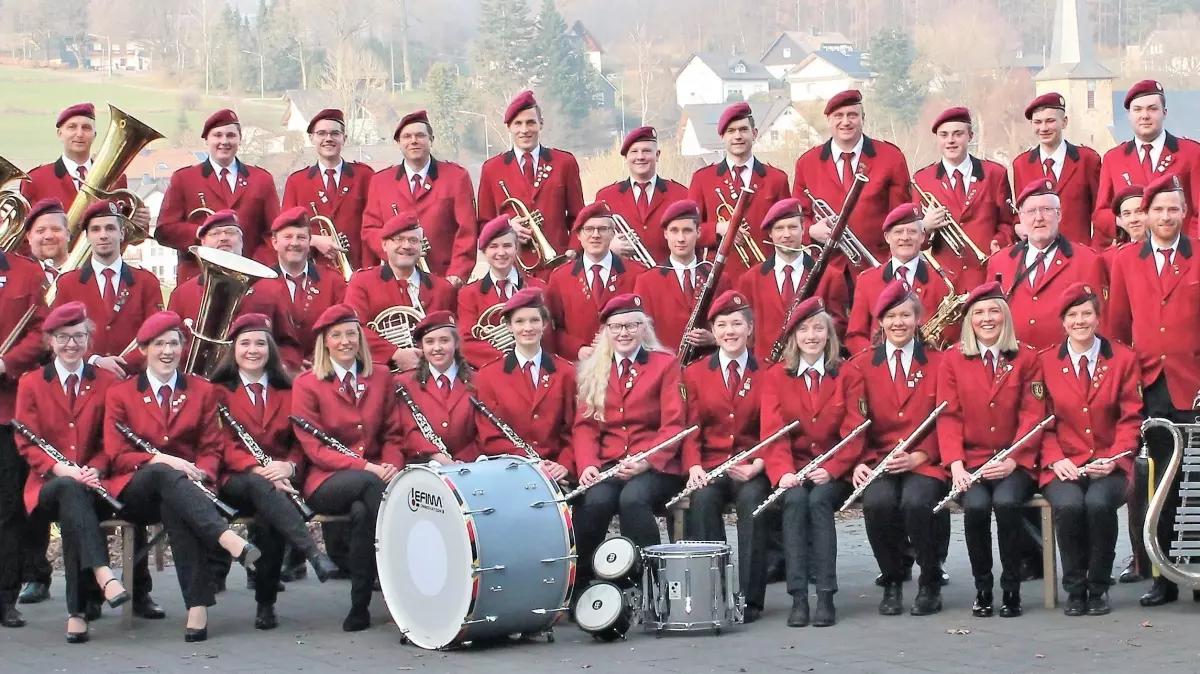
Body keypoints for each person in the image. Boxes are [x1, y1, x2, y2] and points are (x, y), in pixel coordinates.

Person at [102, 311, 261, 642]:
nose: (166, 351)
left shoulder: (201, 391)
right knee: (164, 475)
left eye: (173, 343)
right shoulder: (121, 393)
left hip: (187, 490)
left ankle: (197, 607)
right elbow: (117, 456)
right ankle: (226, 538)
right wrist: (162, 460)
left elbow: (211, 448)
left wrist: (200, 472)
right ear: (144, 349)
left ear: (182, 348)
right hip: (136, 488)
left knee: (177, 503)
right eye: (158, 344)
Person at [42, 199, 165, 618]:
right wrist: (94, 361)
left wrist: (124, 363)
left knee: (133, 484)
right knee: (85, 487)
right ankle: (88, 595)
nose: (103, 237)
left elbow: (153, 333)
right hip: (85, 388)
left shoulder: (145, 280)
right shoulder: (69, 283)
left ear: (123, 234)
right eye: (95, 230)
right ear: (86, 236)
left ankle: (141, 589)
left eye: (111, 229)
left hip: (131, 389)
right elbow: (63, 335)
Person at [1106, 174, 1200, 607]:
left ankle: (1198, 577)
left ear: (1185, 212)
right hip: (1149, 387)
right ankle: (1160, 576)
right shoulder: (1125, 261)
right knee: (1158, 485)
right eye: (1158, 209)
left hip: (1194, 385)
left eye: (1173, 209)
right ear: (1144, 215)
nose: (1165, 216)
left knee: (1196, 485)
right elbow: (1118, 328)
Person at [209, 314, 337, 630]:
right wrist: (258, 468)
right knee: (261, 487)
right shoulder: (216, 391)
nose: (253, 350)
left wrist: (289, 466)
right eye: (245, 343)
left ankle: (265, 604)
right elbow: (219, 442)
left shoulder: (288, 390)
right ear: (233, 349)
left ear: (270, 350)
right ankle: (312, 552)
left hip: (278, 482)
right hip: (234, 480)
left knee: (270, 516)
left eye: (260, 343)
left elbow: (299, 440)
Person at [12, 302, 130, 643]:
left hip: (95, 482)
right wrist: (60, 468)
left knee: (75, 500)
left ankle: (77, 612)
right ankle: (103, 573)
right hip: (47, 484)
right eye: (63, 338)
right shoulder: (31, 383)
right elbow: (26, 442)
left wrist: (95, 467)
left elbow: (112, 439)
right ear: (50, 341)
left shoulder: (106, 382)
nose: (71, 344)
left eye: (78, 336)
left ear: (88, 339)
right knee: (68, 490)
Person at [291, 304, 405, 631]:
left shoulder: (381, 376)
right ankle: (402, 570)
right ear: (325, 343)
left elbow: (393, 433)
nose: (345, 341)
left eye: (351, 333)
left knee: (363, 513)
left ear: (361, 338)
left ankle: (359, 607)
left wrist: (391, 464)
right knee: (370, 492)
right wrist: (367, 467)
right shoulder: (307, 383)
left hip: (375, 479)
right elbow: (314, 449)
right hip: (326, 481)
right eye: (336, 335)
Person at [937, 281, 1048, 618]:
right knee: (976, 508)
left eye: (994, 311)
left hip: (1015, 460)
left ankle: (1011, 586)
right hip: (970, 461)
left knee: (1007, 502)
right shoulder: (952, 360)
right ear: (969, 319)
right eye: (979, 312)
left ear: (1005, 316)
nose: (987, 318)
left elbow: (1033, 414)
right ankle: (983, 587)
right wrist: (956, 465)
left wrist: (1014, 459)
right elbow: (948, 415)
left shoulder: (1027, 357)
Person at [843, 281, 948, 617]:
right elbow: (853, 421)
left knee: (918, 502)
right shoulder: (860, 365)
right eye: (891, 316)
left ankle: (930, 579)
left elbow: (947, 417)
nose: (899, 322)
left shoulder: (939, 362)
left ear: (917, 319)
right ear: (881, 322)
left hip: (923, 459)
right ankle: (891, 578)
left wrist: (922, 454)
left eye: (905, 314)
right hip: (879, 460)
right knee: (878, 503)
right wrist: (858, 461)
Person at [1039, 283, 1141, 616]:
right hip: (1064, 462)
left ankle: (1098, 586)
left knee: (1098, 505)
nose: (1080, 321)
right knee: (1069, 506)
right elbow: (1040, 423)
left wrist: (1114, 458)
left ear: (1098, 318)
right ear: (1063, 322)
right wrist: (1055, 460)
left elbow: (1131, 417)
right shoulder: (1046, 362)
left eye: (1087, 313)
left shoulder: (1123, 358)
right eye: (1072, 315)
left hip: (1111, 461)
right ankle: (1075, 588)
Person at [571, 294, 685, 586]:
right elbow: (585, 426)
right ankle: (580, 584)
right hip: (609, 463)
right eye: (616, 327)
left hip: (657, 465)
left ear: (644, 328)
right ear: (606, 331)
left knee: (632, 499)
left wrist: (646, 460)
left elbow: (673, 424)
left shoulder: (665, 364)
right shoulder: (595, 368)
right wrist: (587, 465)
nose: (623, 333)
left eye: (631, 326)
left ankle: (651, 581)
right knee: (594, 502)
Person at [760, 297, 853, 626]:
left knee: (819, 503)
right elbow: (773, 431)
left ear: (829, 335)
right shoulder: (775, 377)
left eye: (818, 328)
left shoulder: (846, 373)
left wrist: (832, 468)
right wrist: (784, 472)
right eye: (803, 330)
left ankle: (825, 594)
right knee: (796, 502)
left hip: (833, 470)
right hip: (793, 469)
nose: (811, 335)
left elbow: (854, 431)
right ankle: (798, 597)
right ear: (793, 338)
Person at [681, 291, 767, 622]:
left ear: (750, 328)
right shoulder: (695, 373)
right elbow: (690, 429)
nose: (729, 331)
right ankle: (711, 593)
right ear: (713, 333)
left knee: (753, 505)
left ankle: (750, 597)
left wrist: (758, 464)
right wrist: (694, 467)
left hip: (752, 465)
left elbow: (773, 427)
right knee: (702, 502)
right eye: (722, 325)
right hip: (712, 465)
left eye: (736, 323)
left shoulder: (767, 372)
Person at [166, 209, 303, 372]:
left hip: (254, 382)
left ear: (242, 241)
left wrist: (281, 366)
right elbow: (170, 343)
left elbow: (289, 345)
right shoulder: (182, 294)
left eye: (231, 232)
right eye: (215, 234)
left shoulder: (272, 289)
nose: (223, 237)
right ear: (202, 242)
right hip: (198, 384)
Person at [156, 108, 280, 283]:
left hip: (249, 279)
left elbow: (273, 234)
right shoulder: (184, 179)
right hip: (198, 279)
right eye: (218, 135)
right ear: (207, 139)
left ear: (240, 139)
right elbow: (164, 231)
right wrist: (200, 233)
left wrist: (254, 268)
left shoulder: (262, 179)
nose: (224, 141)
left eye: (231, 135)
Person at [795, 89, 912, 271]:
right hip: (826, 270)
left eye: (852, 115)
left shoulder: (891, 158)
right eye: (838, 116)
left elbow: (902, 216)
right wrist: (810, 231)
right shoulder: (807, 163)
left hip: (878, 266)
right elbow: (797, 217)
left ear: (862, 118)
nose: (846, 122)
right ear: (829, 121)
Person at [986, 180, 1106, 350]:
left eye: (1046, 210)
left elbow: (1100, 322)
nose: (1039, 218)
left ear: (1059, 215)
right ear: (1021, 218)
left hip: (1064, 366)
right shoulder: (999, 261)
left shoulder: (1088, 261)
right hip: (1013, 364)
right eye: (1031, 211)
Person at [362, 109, 476, 284]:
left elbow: (467, 232)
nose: (413, 141)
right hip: (395, 279)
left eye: (420, 135)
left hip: (443, 278)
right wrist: (398, 251)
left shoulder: (456, 177)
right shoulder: (380, 181)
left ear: (431, 140)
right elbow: (370, 230)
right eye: (407, 136)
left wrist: (457, 274)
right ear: (398, 143)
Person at [478, 91, 584, 278]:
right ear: (509, 127)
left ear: (541, 124)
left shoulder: (564, 163)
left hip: (559, 268)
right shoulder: (492, 169)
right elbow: (484, 223)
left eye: (531, 122)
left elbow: (578, 217)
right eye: (518, 124)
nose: (524, 130)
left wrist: (573, 250)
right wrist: (507, 227)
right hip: (512, 269)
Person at [474, 288, 575, 478]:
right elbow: (489, 435)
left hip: (557, 473)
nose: (527, 328)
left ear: (544, 324)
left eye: (534, 320)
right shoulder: (488, 376)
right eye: (519, 321)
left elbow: (574, 428)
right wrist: (530, 463)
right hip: (510, 471)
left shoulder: (566, 373)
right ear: (509, 326)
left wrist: (564, 464)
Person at [913, 107, 1015, 291]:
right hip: (944, 281)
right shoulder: (922, 179)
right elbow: (916, 240)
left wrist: (998, 243)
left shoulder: (995, 174)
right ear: (937, 139)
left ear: (970, 136)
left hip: (985, 274)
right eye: (944, 135)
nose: (950, 140)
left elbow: (1008, 222)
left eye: (957, 134)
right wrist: (925, 227)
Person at [736, 198, 850, 358]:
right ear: (770, 233)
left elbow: (838, 326)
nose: (786, 235)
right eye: (779, 229)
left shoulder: (831, 276)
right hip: (766, 373)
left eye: (793, 227)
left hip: (812, 369)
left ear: (804, 229)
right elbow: (745, 331)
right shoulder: (750, 279)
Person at [689, 101, 791, 279]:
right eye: (731, 131)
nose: (738, 136)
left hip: (766, 276)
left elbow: (789, 231)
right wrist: (719, 228)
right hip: (720, 278)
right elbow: (689, 231)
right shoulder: (702, 179)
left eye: (743, 130)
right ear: (722, 136)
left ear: (755, 133)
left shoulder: (776, 179)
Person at [0, 240, 47, 627]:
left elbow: (40, 331)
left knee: (7, 511)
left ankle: (4, 597)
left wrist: (6, 362)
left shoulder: (26, 272)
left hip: (5, 411)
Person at [345, 210, 456, 372]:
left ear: (421, 246)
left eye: (413, 240)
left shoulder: (443, 288)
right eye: (399, 239)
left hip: (432, 374)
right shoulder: (362, 282)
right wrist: (394, 353)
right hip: (381, 374)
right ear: (384, 244)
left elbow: (455, 334)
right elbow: (352, 328)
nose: (406, 246)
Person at [1093, 80, 1200, 245]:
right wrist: (1125, 221)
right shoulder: (1113, 159)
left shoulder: (1191, 153)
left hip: (1179, 254)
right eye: (1137, 109)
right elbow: (1100, 213)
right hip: (1133, 256)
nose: (1145, 115)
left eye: (1152, 109)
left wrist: (1192, 246)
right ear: (1129, 114)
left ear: (1164, 112)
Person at [19, 102, 150, 236]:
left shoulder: (116, 179)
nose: (79, 134)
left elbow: (130, 236)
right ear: (59, 133)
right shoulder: (36, 179)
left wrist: (139, 223)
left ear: (94, 134)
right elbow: (23, 237)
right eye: (72, 127)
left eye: (86, 128)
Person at [845, 204, 953, 354]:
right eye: (898, 232)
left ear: (922, 236)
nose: (905, 237)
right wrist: (872, 362)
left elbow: (952, 333)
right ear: (887, 237)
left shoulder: (943, 279)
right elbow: (855, 335)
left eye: (912, 232)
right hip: (881, 368)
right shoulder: (866, 281)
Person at [546, 201, 646, 360]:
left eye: (603, 229)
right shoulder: (560, 277)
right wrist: (577, 349)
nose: (595, 235)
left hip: (626, 365)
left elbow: (646, 323)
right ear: (578, 235)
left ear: (613, 234)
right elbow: (552, 328)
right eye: (589, 229)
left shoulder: (637, 273)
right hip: (579, 368)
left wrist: (618, 340)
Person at [281, 108, 374, 275]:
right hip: (313, 273)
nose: (328, 139)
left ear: (344, 138)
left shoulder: (364, 176)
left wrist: (368, 272)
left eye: (334, 133)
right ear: (312, 139)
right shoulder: (297, 182)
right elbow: (285, 231)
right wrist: (314, 240)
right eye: (321, 134)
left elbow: (372, 227)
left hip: (358, 270)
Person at [634, 199, 727, 354]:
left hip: (710, 367)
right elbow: (641, 335)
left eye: (687, 231)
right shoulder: (646, 281)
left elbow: (734, 326)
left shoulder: (719, 277)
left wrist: (714, 338)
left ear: (698, 232)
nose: (681, 238)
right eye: (674, 231)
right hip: (667, 370)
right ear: (665, 234)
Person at [1011, 93, 1102, 246]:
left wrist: (1095, 253)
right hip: (1037, 258)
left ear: (1064, 122)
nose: (1043, 128)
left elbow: (1100, 212)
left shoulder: (1088, 160)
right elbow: (1019, 211)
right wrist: (1017, 226)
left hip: (1078, 257)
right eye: (1037, 122)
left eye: (1050, 121)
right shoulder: (1021, 164)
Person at [456, 215, 547, 368]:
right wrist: (505, 359)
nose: (501, 252)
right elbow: (466, 341)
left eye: (507, 246)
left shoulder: (539, 288)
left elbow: (547, 332)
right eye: (493, 246)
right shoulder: (469, 294)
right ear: (484, 251)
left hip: (535, 367)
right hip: (491, 371)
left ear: (516, 248)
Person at [262, 206, 348, 360]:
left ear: (309, 243)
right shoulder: (261, 283)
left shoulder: (333, 280)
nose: (294, 243)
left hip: (325, 367)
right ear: (274, 242)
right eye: (288, 237)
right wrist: (288, 362)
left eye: (301, 237)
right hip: (277, 372)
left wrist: (322, 359)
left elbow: (343, 327)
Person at [595, 126, 689, 265]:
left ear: (657, 155)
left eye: (646, 151)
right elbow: (591, 241)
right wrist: (607, 247)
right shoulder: (606, 196)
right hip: (622, 280)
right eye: (634, 152)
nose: (640, 157)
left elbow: (693, 241)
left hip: (668, 277)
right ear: (626, 157)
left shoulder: (681, 194)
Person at [395, 311, 478, 462]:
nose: (437, 347)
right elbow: (409, 431)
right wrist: (437, 457)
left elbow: (484, 430)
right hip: (425, 466)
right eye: (430, 342)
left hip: (471, 465)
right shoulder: (404, 383)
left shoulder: (478, 381)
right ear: (422, 347)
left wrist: (463, 460)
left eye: (444, 340)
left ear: (456, 343)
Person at [23, 197, 69, 284]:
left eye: (56, 229)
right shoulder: (16, 276)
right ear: (29, 237)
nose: (49, 236)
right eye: (40, 231)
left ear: (68, 234)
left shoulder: (91, 272)